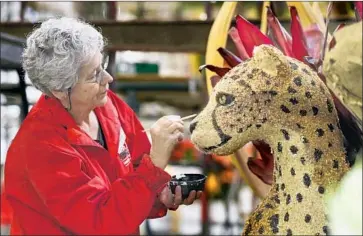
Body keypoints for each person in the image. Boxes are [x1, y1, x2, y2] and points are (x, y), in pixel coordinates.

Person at [3, 17, 202, 235]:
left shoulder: (108, 106)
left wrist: (160, 193)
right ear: (60, 89)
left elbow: (135, 173)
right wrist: (156, 162)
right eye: (94, 75)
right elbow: (101, 222)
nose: (108, 78)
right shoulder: (41, 148)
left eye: (103, 66)